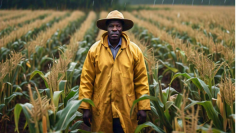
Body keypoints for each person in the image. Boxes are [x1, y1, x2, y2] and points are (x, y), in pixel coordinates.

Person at [78, 10, 150, 133]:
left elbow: (141, 81)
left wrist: (142, 107)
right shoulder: (94, 50)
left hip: (126, 108)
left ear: (122, 29)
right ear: (107, 28)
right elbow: (86, 80)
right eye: (111, 26)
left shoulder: (135, 51)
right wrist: (85, 108)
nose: (115, 29)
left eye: (118, 26)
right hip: (101, 108)